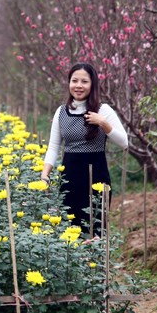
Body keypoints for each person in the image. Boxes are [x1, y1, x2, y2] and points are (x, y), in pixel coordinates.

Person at [41, 62, 128, 235]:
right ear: (69, 83)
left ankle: (96, 261)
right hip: (69, 178)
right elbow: (53, 146)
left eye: (84, 81)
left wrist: (103, 123)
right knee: (71, 229)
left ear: (92, 84)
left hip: (96, 177)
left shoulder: (103, 110)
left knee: (95, 227)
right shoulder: (61, 112)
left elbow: (124, 142)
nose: (78, 86)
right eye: (74, 81)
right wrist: (45, 175)